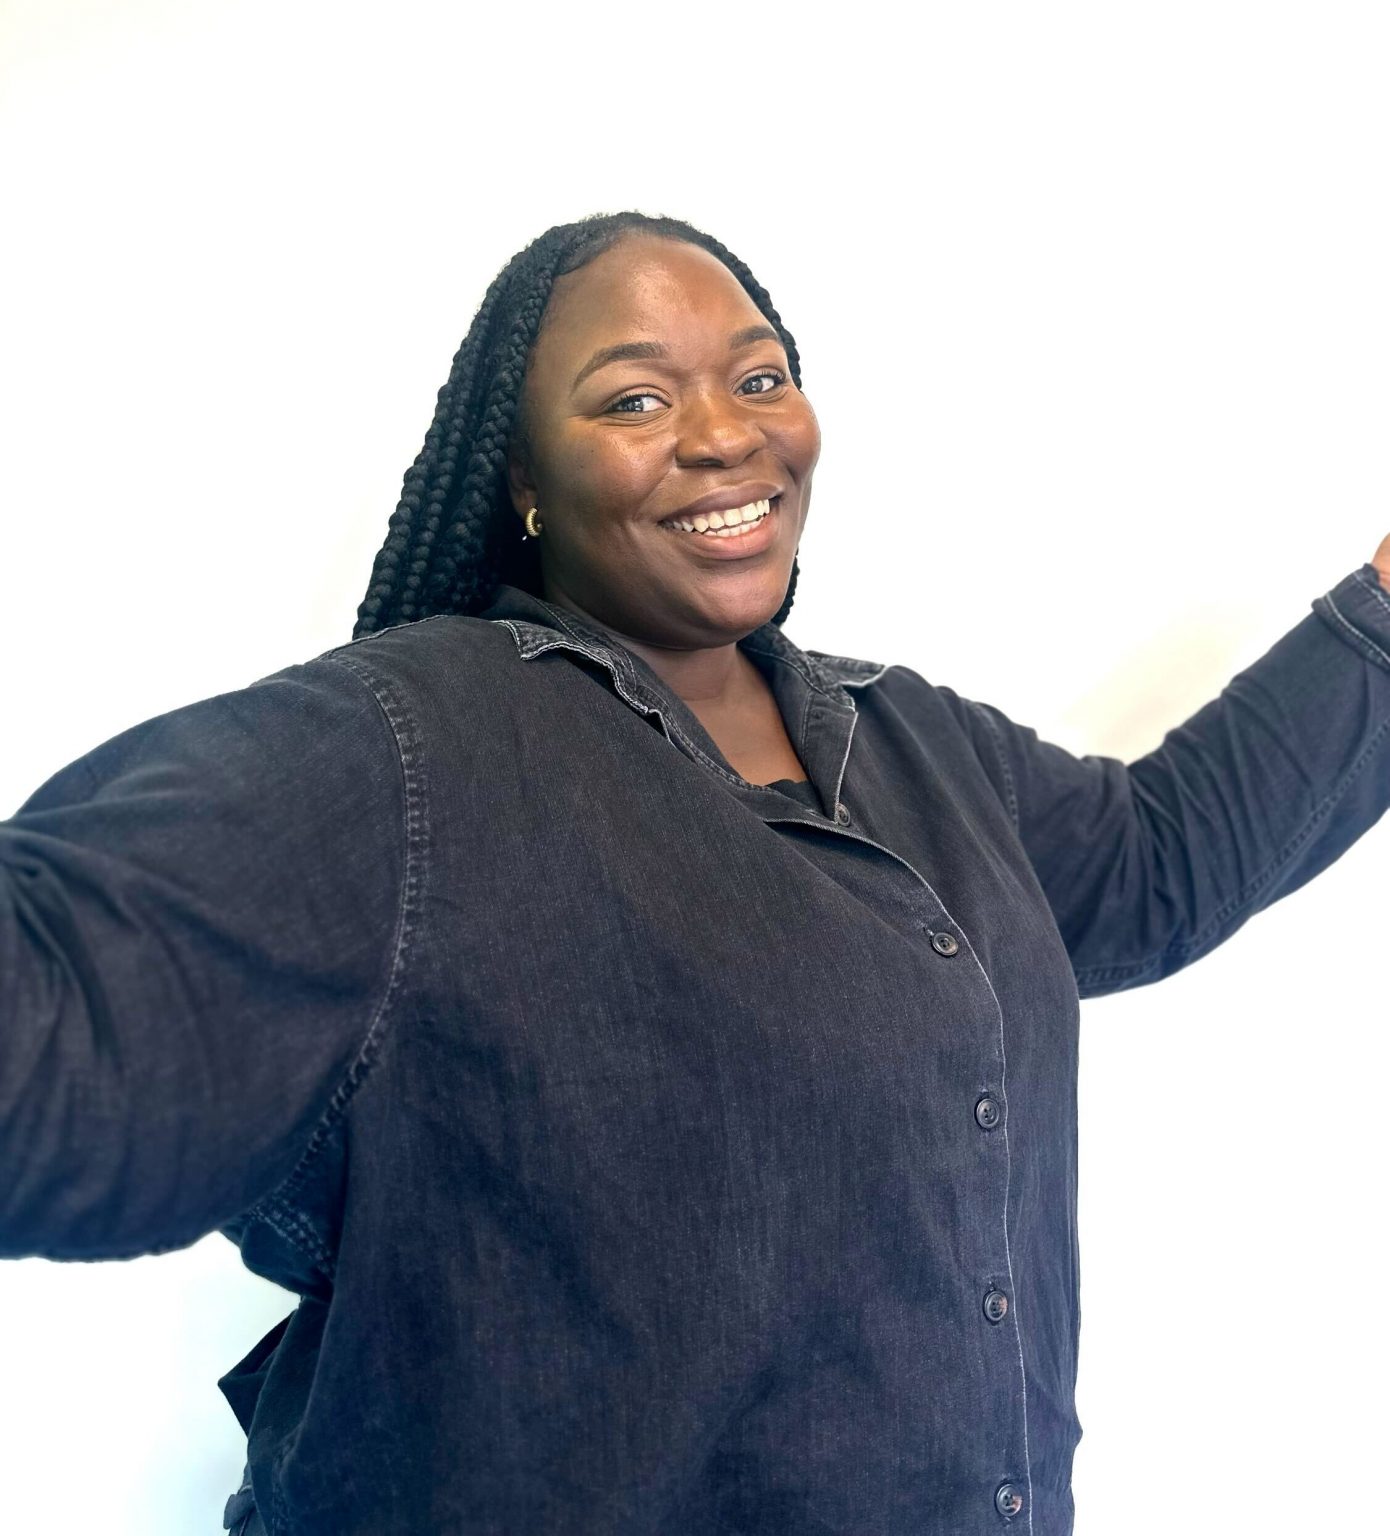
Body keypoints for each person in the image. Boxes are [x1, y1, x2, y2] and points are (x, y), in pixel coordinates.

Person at [2, 210, 1388, 1536]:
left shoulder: (911, 738)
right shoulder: (405, 751)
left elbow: (1156, 859)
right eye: (634, 399)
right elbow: (59, 1009)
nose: (725, 434)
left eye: (759, 377)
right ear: (523, 479)